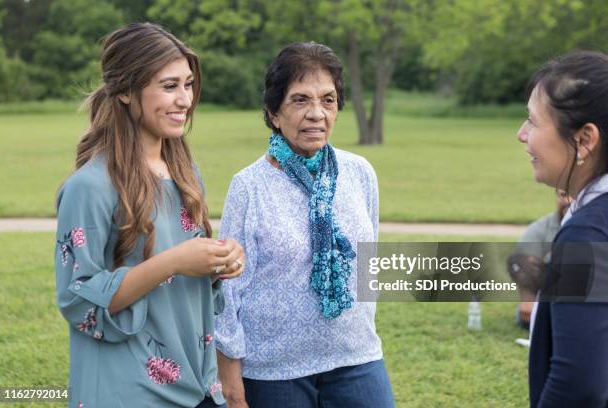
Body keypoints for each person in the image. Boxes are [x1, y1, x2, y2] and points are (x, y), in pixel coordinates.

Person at [54, 23, 244, 408]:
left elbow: (190, 267)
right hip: (128, 391)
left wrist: (220, 259)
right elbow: (79, 301)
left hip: (197, 384)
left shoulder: (186, 175)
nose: (185, 100)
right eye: (169, 86)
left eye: (188, 84)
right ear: (125, 91)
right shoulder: (89, 187)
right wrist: (174, 261)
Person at [215, 42, 395, 408]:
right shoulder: (249, 186)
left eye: (328, 101)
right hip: (275, 371)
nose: (317, 114)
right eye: (300, 100)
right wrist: (232, 385)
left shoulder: (359, 173)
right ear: (273, 112)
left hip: (356, 357)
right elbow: (228, 291)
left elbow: (367, 265)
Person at [517, 51, 608, 407]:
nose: (521, 135)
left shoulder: (586, 236)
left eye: (533, 122)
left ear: (584, 139)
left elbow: (578, 386)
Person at [508, 190, 571, 329]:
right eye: (562, 195)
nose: (568, 201)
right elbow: (521, 264)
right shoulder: (540, 229)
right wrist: (528, 299)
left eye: (575, 195)